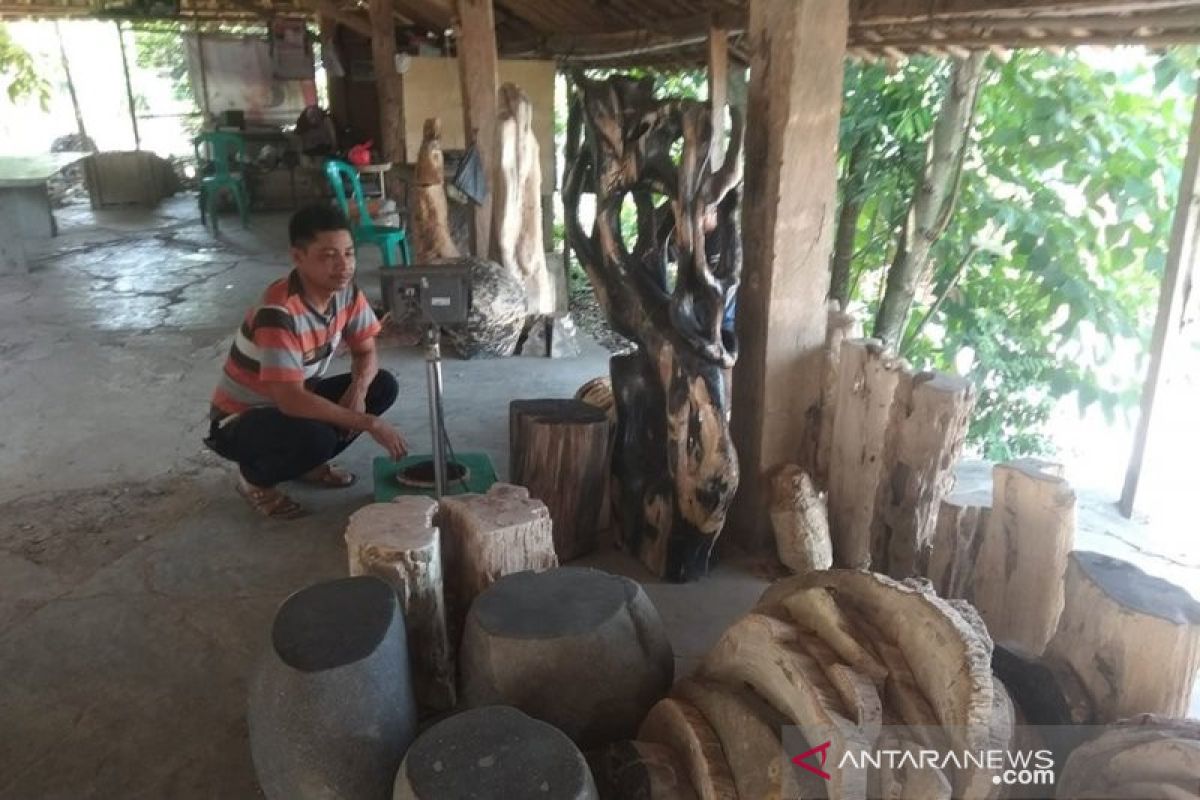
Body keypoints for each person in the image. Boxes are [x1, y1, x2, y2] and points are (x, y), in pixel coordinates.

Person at [205, 204, 408, 518]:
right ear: (298, 258)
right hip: (241, 419)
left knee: (382, 386)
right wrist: (370, 423)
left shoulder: (346, 294)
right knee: (317, 438)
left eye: (349, 253)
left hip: (293, 402)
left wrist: (358, 390)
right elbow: (290, 401)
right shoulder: (279, 312)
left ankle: (306, 464)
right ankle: (254, 478)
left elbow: (366, 352)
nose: (343, 266)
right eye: (328, 255)